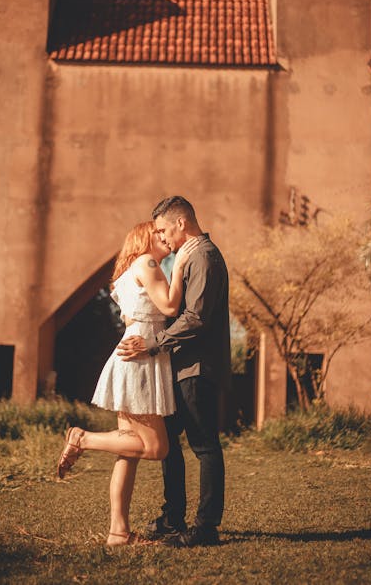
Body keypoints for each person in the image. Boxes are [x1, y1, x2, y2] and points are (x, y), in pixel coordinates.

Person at [56, 220, 198, 546]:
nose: (164, 237)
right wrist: (181, 266)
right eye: (158, 233)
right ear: (144, 238)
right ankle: (84, 438)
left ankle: (118, 532)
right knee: (157, 447)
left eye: (165, 233)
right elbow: (170, 305)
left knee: (129, 451)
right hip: (140, 358)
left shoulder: (129, 271)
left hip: (136, 354)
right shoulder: (147, 262)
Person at [117, 196, 231, 548]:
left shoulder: (203, 256)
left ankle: (206, 527)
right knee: (168, 442)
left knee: (205, 446)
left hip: (197, 366)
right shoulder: (189, 257)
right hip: (181, 365)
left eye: (165, 229)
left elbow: (196, 317)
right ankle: (172, 518)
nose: (163, 237)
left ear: (181, 222)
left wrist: (154, 344)